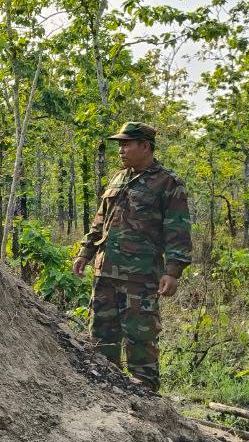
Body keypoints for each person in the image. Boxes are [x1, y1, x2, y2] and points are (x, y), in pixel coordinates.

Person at [72, 122, 192, 391]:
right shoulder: (118, 178)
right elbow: (100, 221)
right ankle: (105, 393)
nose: (121, 150)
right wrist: (85, 252)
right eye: (120, 145)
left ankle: (146, 399)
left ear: (145, 146)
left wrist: (173, 271)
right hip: (105, 273)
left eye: (127, 144)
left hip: (140, 277)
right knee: (101, 338)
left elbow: (178, 230)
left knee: (141, 340)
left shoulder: (168, 183)